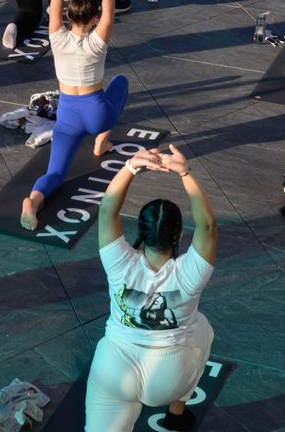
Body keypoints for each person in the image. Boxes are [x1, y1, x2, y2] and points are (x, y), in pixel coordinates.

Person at [87, 142, 217, 432]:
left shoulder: (118, 262)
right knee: (202, 328)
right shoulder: (189, 273)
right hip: (168, 378)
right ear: (180, 234)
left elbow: (107, 209)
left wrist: (131, 166)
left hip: (114, 370)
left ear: (140, 234)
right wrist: (185, 174)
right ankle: (176, 412)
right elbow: (207, 226)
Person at [20, 0, 129, 232]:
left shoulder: (56, 35)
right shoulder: (98, 38)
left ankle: (33, 199)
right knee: (120, 82)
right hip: (97, 114)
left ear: (67, 15)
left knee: (55, 172)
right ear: (95, 19)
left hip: (67, 115)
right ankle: (101, 141)